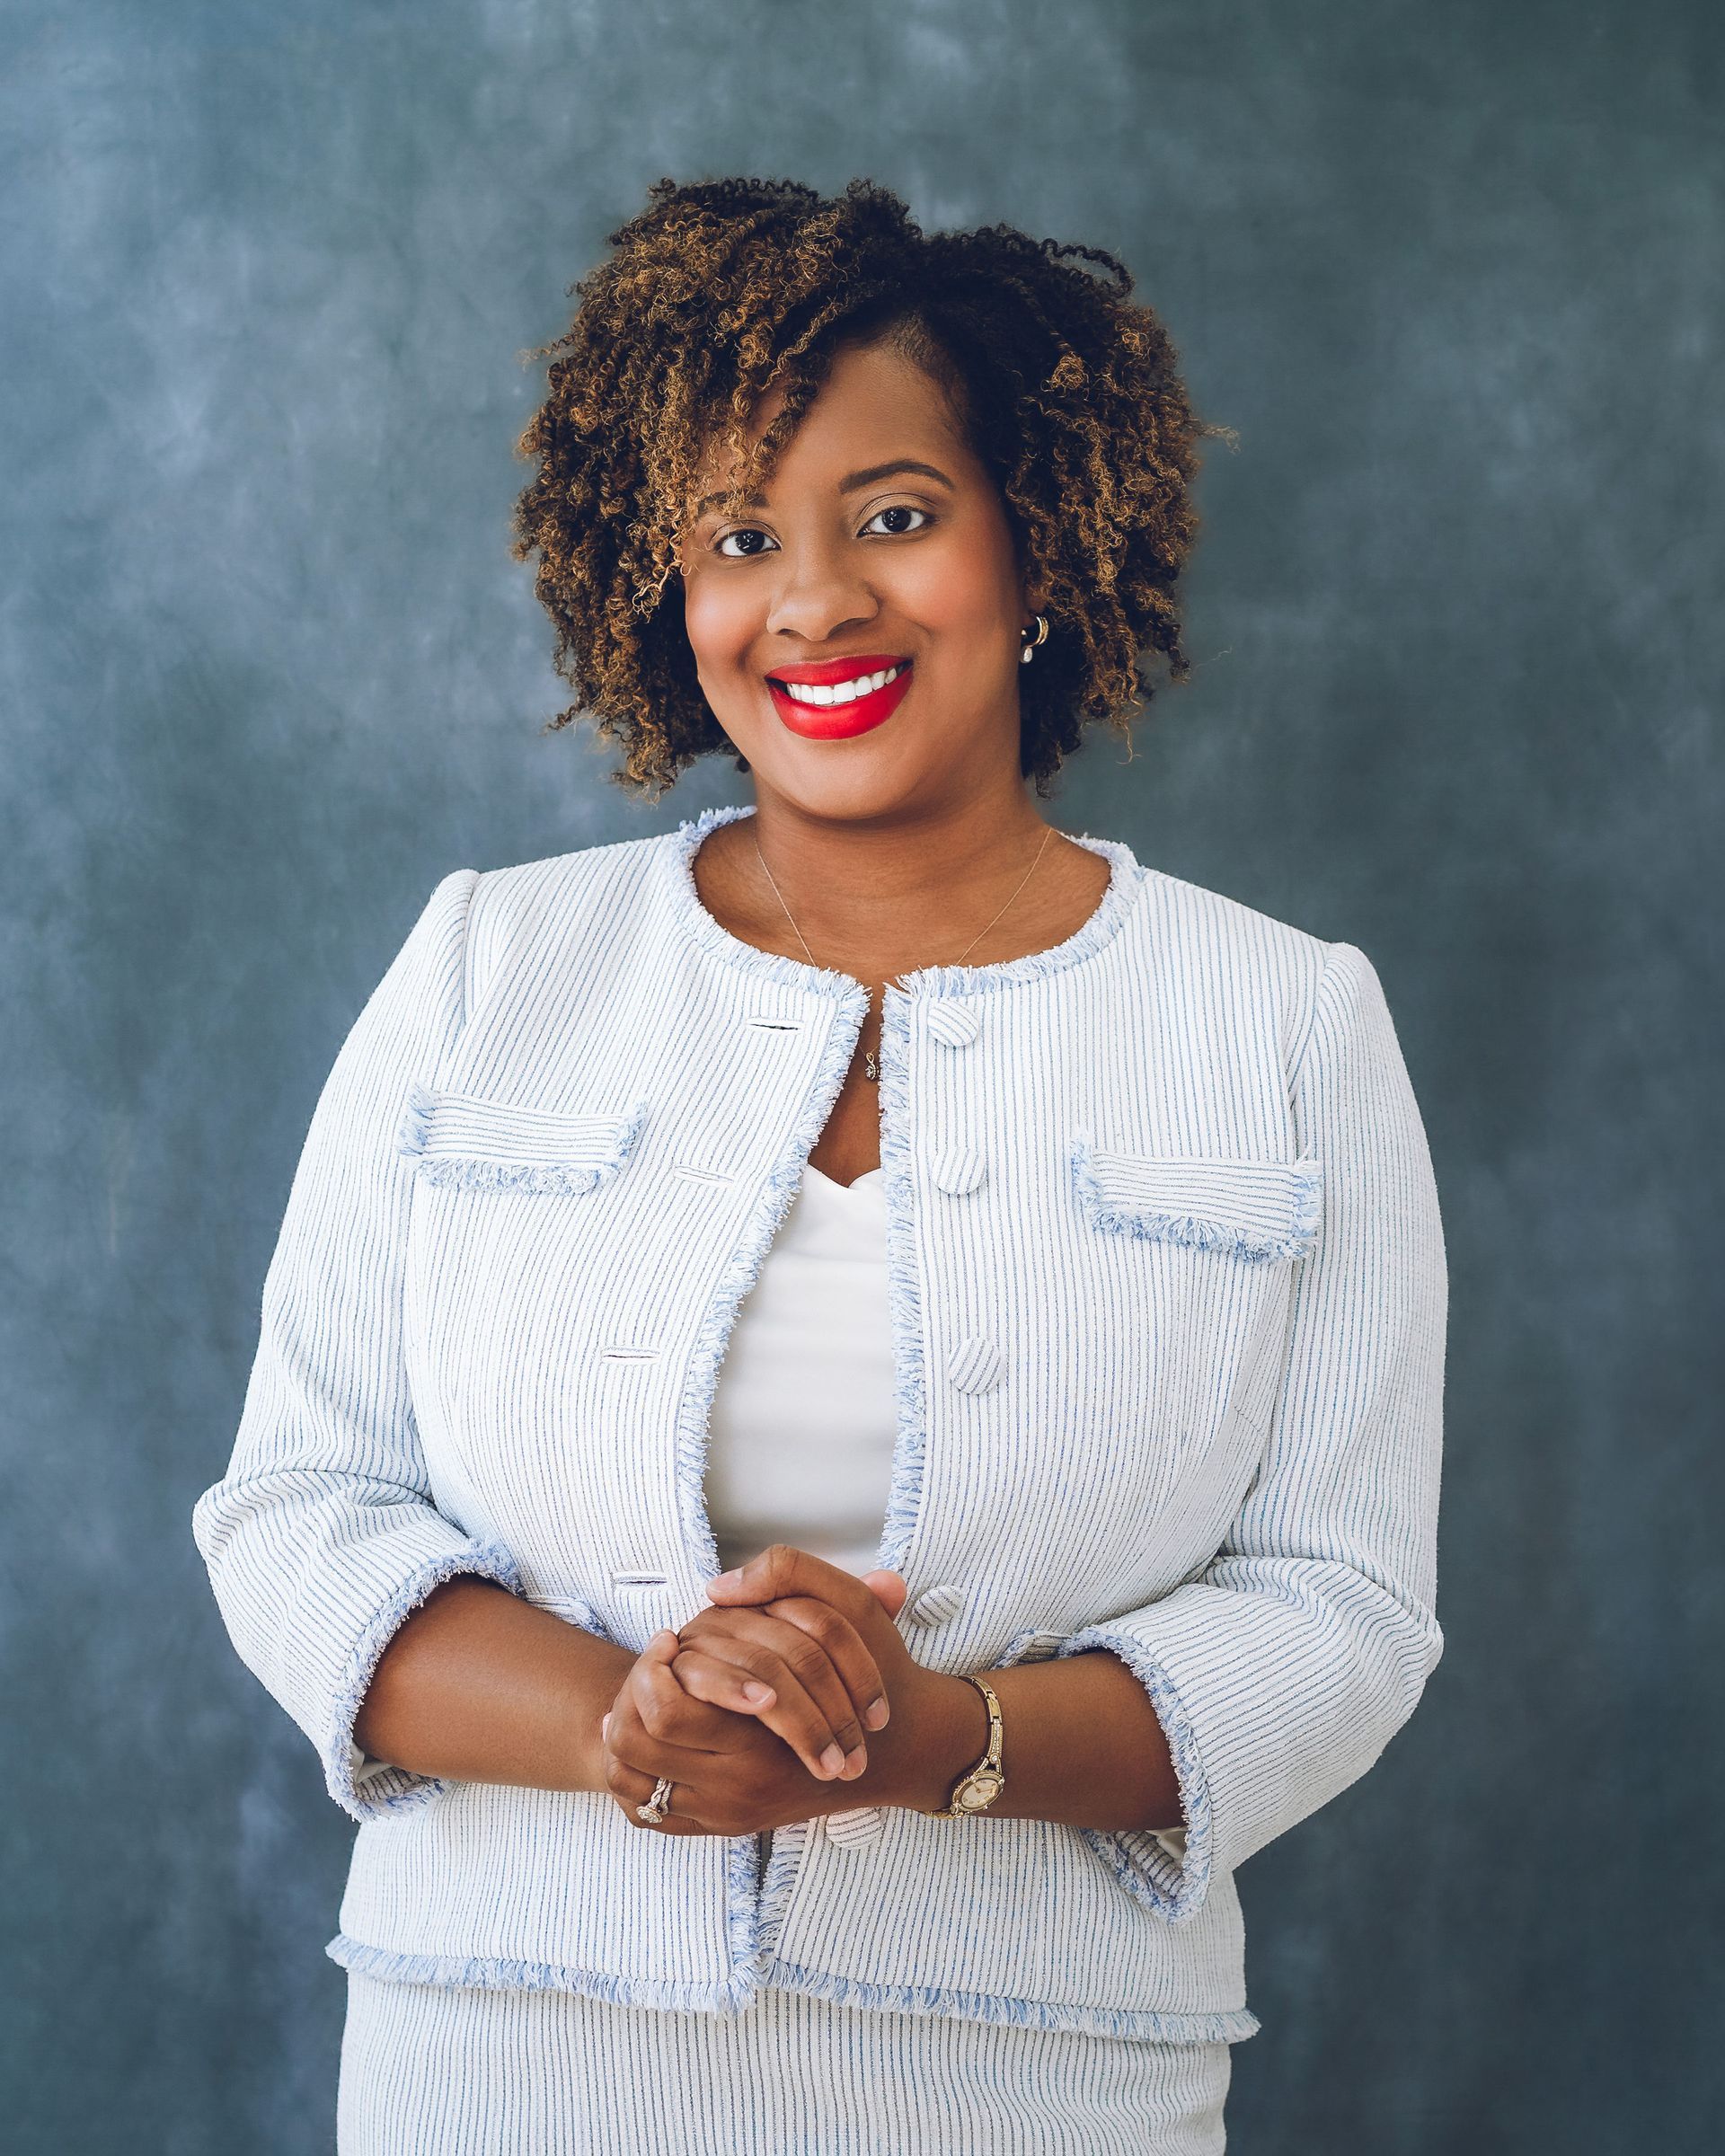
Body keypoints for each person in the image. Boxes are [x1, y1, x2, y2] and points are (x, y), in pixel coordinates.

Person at [191, 174, 1447, 2155]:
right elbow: (298, 1510)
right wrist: (630, 1731)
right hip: (502, 2078)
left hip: (1040, 2094)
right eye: (736, 536)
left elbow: (1342, 1613)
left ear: (1036, 542)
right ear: (658, 586)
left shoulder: (1286, 1022)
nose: (811, 603)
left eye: (893, 516)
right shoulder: (488, 966)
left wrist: (932, 1745)